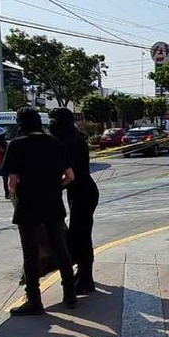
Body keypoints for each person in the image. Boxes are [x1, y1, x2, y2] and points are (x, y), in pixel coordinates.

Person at [2, 107, 78, 315]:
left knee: (30, 252)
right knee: (60, 246)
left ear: (21, 123)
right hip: (53, 203)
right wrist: (54, 187)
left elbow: (12, 183)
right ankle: (70, 293)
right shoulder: (55, 143)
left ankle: (34, 300)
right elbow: (70, 176)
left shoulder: (17, 145)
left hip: (28, 205)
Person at [49, 108, 100, 295]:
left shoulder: (70, 142)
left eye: (54, 121)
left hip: (83, 192)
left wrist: (53, 188)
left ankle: (86, 278)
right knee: (81, 234)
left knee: (81, 235)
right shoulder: (73, 137)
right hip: (80, 191)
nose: (51, 126)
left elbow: (70, 176)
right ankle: (85, 273)